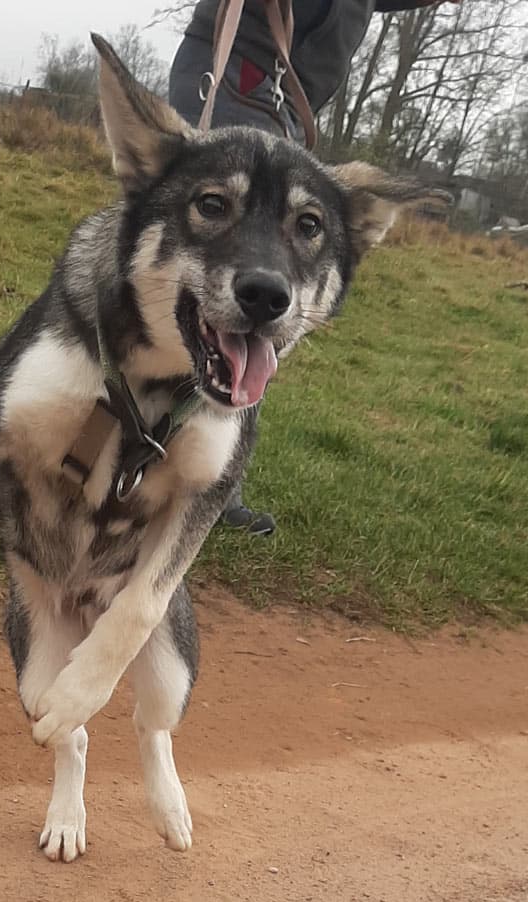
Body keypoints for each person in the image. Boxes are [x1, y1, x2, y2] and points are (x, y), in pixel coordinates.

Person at [168, 0, 459, 535]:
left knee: (258, 303)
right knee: (207, 284)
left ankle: (210, 471)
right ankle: (162, 459)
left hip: (286, 93)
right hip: (235, 69)